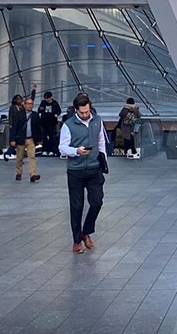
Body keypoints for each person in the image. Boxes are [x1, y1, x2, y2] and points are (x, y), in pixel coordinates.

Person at [59, 93, 107, 253]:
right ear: (76, 111)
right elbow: (62, 147)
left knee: (97, 202)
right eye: (82, 113)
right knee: (76, 206)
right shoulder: (68, 124)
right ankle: (76, 241)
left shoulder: (97, 120)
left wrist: (103, 160)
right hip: (76, 171)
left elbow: (101, 141)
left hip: (94, 168)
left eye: (87, 112)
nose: (85, 115)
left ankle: (85, 232)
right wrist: (76, 151)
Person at [9, 96, 42, 182]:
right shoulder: (19, 115)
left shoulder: (35, 115)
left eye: (31, 104)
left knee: (32, 157)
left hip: (31, 139)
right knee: (19, 157)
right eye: (28, 104)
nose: (30, 106)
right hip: (21, 139)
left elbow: (38, 128)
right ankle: (19, 172)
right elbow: (14, 127)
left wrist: (38, 139)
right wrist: (12, 139)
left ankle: (33, 174)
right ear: (24, 105)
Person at [38, 91, 62, 157]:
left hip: (52, 123)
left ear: (51, 97)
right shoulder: (43, 103)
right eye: (46, 98)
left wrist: (57, 114)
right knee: (44, 136)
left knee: (51, 137)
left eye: (48, 98)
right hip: (44, 122)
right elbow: (39, 110)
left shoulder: (55, 103)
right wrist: (40, 109)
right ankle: (44, 150)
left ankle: (51, 150)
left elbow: (59, 110)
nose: (47, 100)